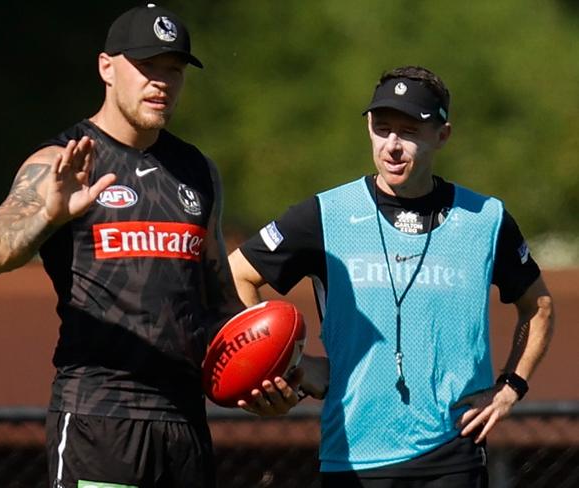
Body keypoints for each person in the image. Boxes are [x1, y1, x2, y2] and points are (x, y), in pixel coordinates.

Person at [228, 65, 555, 487]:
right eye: (382, 129)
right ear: (368, 127)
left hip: (453, 456)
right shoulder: (325, 215)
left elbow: (540, 307)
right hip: (352, 458)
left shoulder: (485, 219)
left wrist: (510, 386)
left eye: (410, 131)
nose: (393, 146)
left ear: (443, 135)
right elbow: (236, 275)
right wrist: (291, 364)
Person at [0, 4, 245, 487]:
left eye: (174, 71)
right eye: (147, 67)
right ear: (106, 67)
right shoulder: (62, 160)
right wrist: (48, 215)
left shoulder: (198, 172)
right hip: (100, 420)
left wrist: (268, 363)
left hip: (185, 424)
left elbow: (219, 299)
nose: (161, 82)